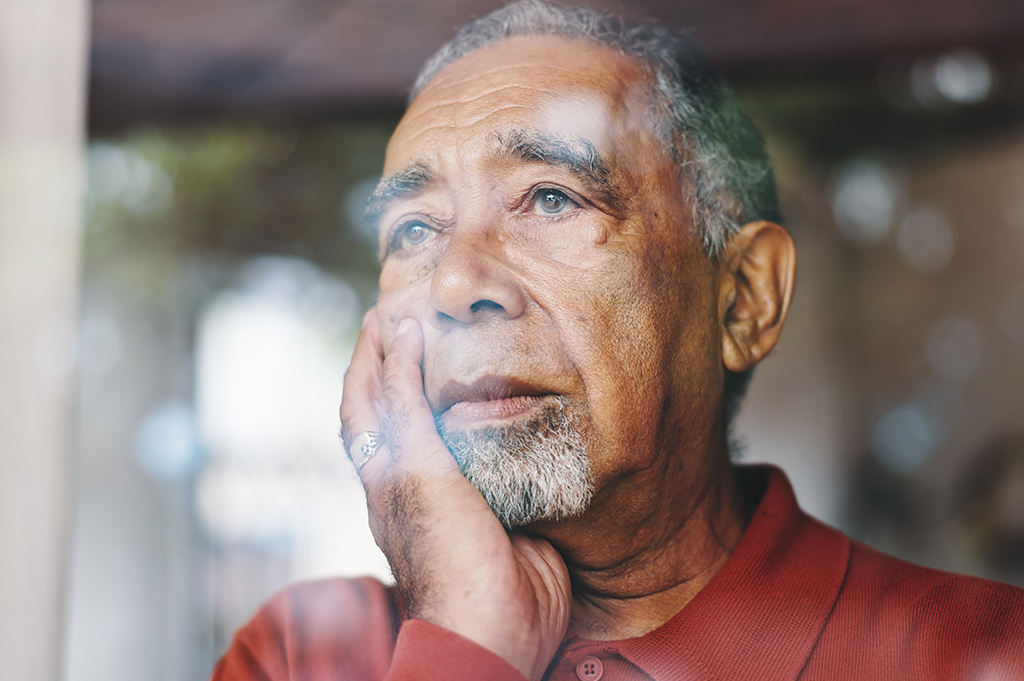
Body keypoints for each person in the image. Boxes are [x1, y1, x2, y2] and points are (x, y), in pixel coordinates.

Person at [212, 2, 1024, 679]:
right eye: (414, 227)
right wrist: (461, 640)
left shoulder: (982, 653)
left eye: (551, 199)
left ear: (741, 300)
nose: (454, 284)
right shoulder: (302, 653)